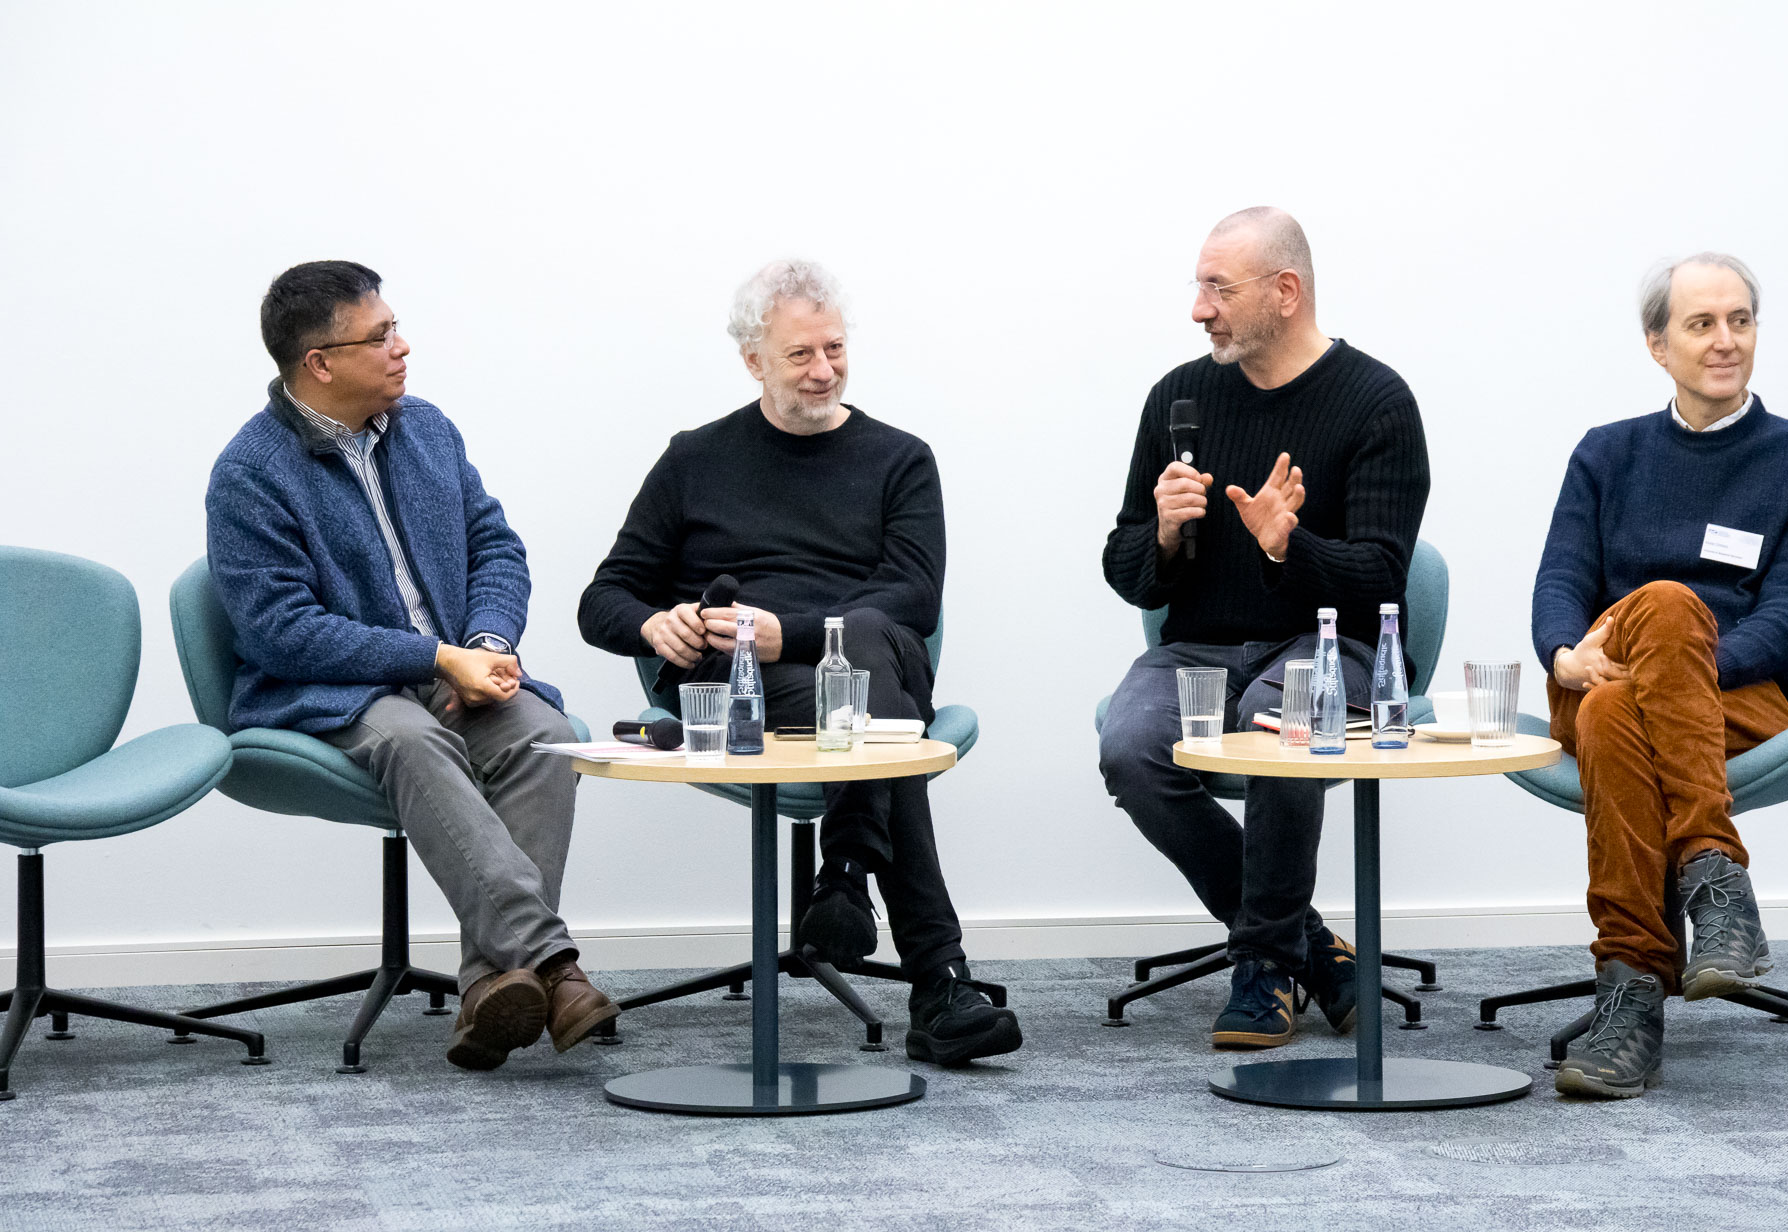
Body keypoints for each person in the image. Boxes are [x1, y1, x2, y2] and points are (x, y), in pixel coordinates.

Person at [578, 259, 1021, 1066]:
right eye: (800, 355)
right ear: (753, 360)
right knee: (881, 703)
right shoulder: (693, 459)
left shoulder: (901, 459)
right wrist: (653, 624)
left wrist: (798, 632)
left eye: (835, 349)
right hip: (739, 685)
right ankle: (935, 975)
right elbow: (601, 599)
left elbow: (916, 600)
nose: (824, 370)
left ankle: (850, 866)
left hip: (853, 666)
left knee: (875, 643)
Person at [205, 260, 616, 1072]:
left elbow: (497, 547)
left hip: (456, 666)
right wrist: (433, 656)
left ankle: (489, 989)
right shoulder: (249, 473)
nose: (402, 346)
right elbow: (282, 632)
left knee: (545, 733)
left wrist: (488, 648)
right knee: (411, 740)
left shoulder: (427, 429)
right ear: (319, 363)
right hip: (329, 690)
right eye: (380, 334)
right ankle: (555, 966)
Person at [1099, 208, 1431, 1049]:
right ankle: (1304, 947)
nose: (1200, 309)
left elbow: (1385, 583)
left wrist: (1292, 547)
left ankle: (1260, 964)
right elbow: (1122, 562)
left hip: (1330, 647)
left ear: (1286, 292)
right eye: (1199, 287)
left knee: (1275, 725)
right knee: (1130, 746)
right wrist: (1165, 533)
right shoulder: (1179, 398)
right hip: (1201, 647)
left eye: (1220, 288)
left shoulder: (1377, 403)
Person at [1535, 253, 1788, 1100]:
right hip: (1600, 667)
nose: (1725, 341)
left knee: (1622, 696)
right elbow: (1561, 582)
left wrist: (1667, 659)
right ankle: (1717, 882)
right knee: (1631, 656)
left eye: (1740, 321)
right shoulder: (1607, 453)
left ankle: (1630, 992)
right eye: (1701, 324)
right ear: (1656, 344)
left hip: (1740, 696)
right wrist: (1564, 654)